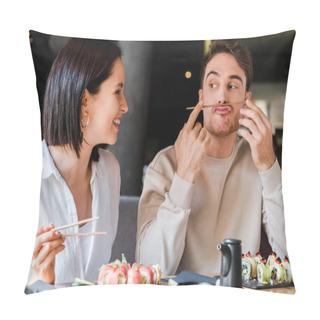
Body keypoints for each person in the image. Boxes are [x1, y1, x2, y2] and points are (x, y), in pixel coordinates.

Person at [136, 40, 288, 276]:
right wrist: (183, 177)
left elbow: (289, 253)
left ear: (247, 99)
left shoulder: (258, 163)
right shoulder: (164, 164)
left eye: (233, 86)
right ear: (201, 96)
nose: (222, 96)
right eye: (213, 84)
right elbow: (150, 267)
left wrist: (269, 166)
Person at [27, 37, 128, 285]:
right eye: (118, 91)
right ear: (85, 101)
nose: (125, 106)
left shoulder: (110, 172)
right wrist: (38, 283)